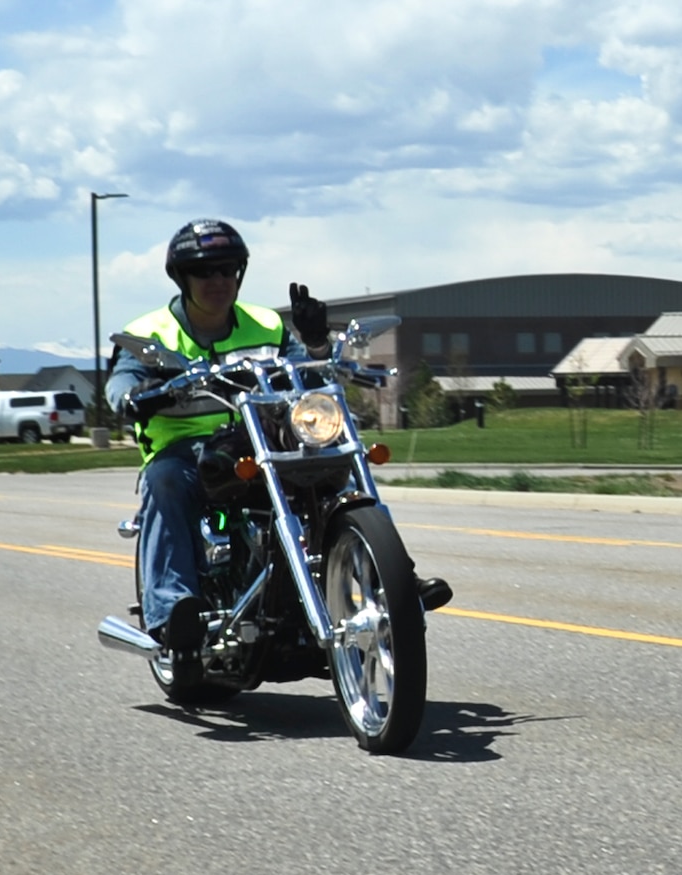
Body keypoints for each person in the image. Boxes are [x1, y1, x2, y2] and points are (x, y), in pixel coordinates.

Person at [106, 219, 449, 659]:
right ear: (182, 277)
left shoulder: (266, 324)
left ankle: (394, 578)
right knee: (165, 481)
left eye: (227, 270)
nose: (218, 281)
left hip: (261, 438)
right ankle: (172, 613)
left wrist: (317, 344)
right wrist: (133, 396)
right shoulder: (149, 334)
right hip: (185, 451)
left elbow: (305, 373)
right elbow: (120, 382)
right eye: (205, 271)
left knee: (334, 460)